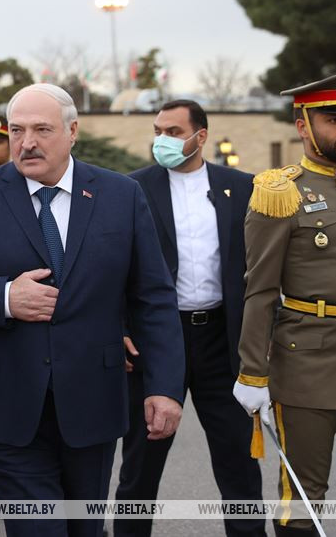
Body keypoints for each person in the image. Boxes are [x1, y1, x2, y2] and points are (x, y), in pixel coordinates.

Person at [0, 84, 185, 537]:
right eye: (16, 130)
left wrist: (164, 387)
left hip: (92, 402)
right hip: (4, 405)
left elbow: (153, 297)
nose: (26, 142)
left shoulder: (121, 196)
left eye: (41, 130)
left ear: (72, 131)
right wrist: (5, 298)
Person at [232, 71, 336, 537]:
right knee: (304, 497)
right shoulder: (279, 192)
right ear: (303, 126)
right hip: (305, 366)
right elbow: (260, 290)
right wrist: (252, 374)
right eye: (333, 119)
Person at [114, 100, 264, 537]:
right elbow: (112, 267)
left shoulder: (242, 187)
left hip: (221, 339)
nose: (162, 140)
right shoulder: (133, 188)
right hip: (158, 340)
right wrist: (119, 328)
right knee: (141, 464)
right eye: (158, 131)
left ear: (201, 136)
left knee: (239, 463)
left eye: (174, 132)